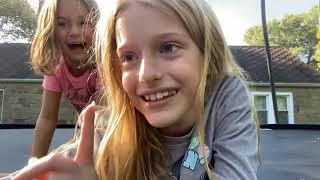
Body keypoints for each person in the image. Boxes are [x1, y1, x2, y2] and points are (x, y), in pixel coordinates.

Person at [12, 0, 259, 179]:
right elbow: (48, 119)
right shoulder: (113, 125)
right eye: (129, 57)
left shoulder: (226, 95)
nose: (146, 74)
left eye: (168, 48)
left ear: (208, 53)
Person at [29, 0, 100, 162]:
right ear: (51, 31)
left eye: (84, 22)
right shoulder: (56, 65)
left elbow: (104, 120)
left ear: (98, 27)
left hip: (121, 133)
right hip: (90, 133)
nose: (75, 31)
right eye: (62, 24)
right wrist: (34, 164)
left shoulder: (105, 64)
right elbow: (47, 119)